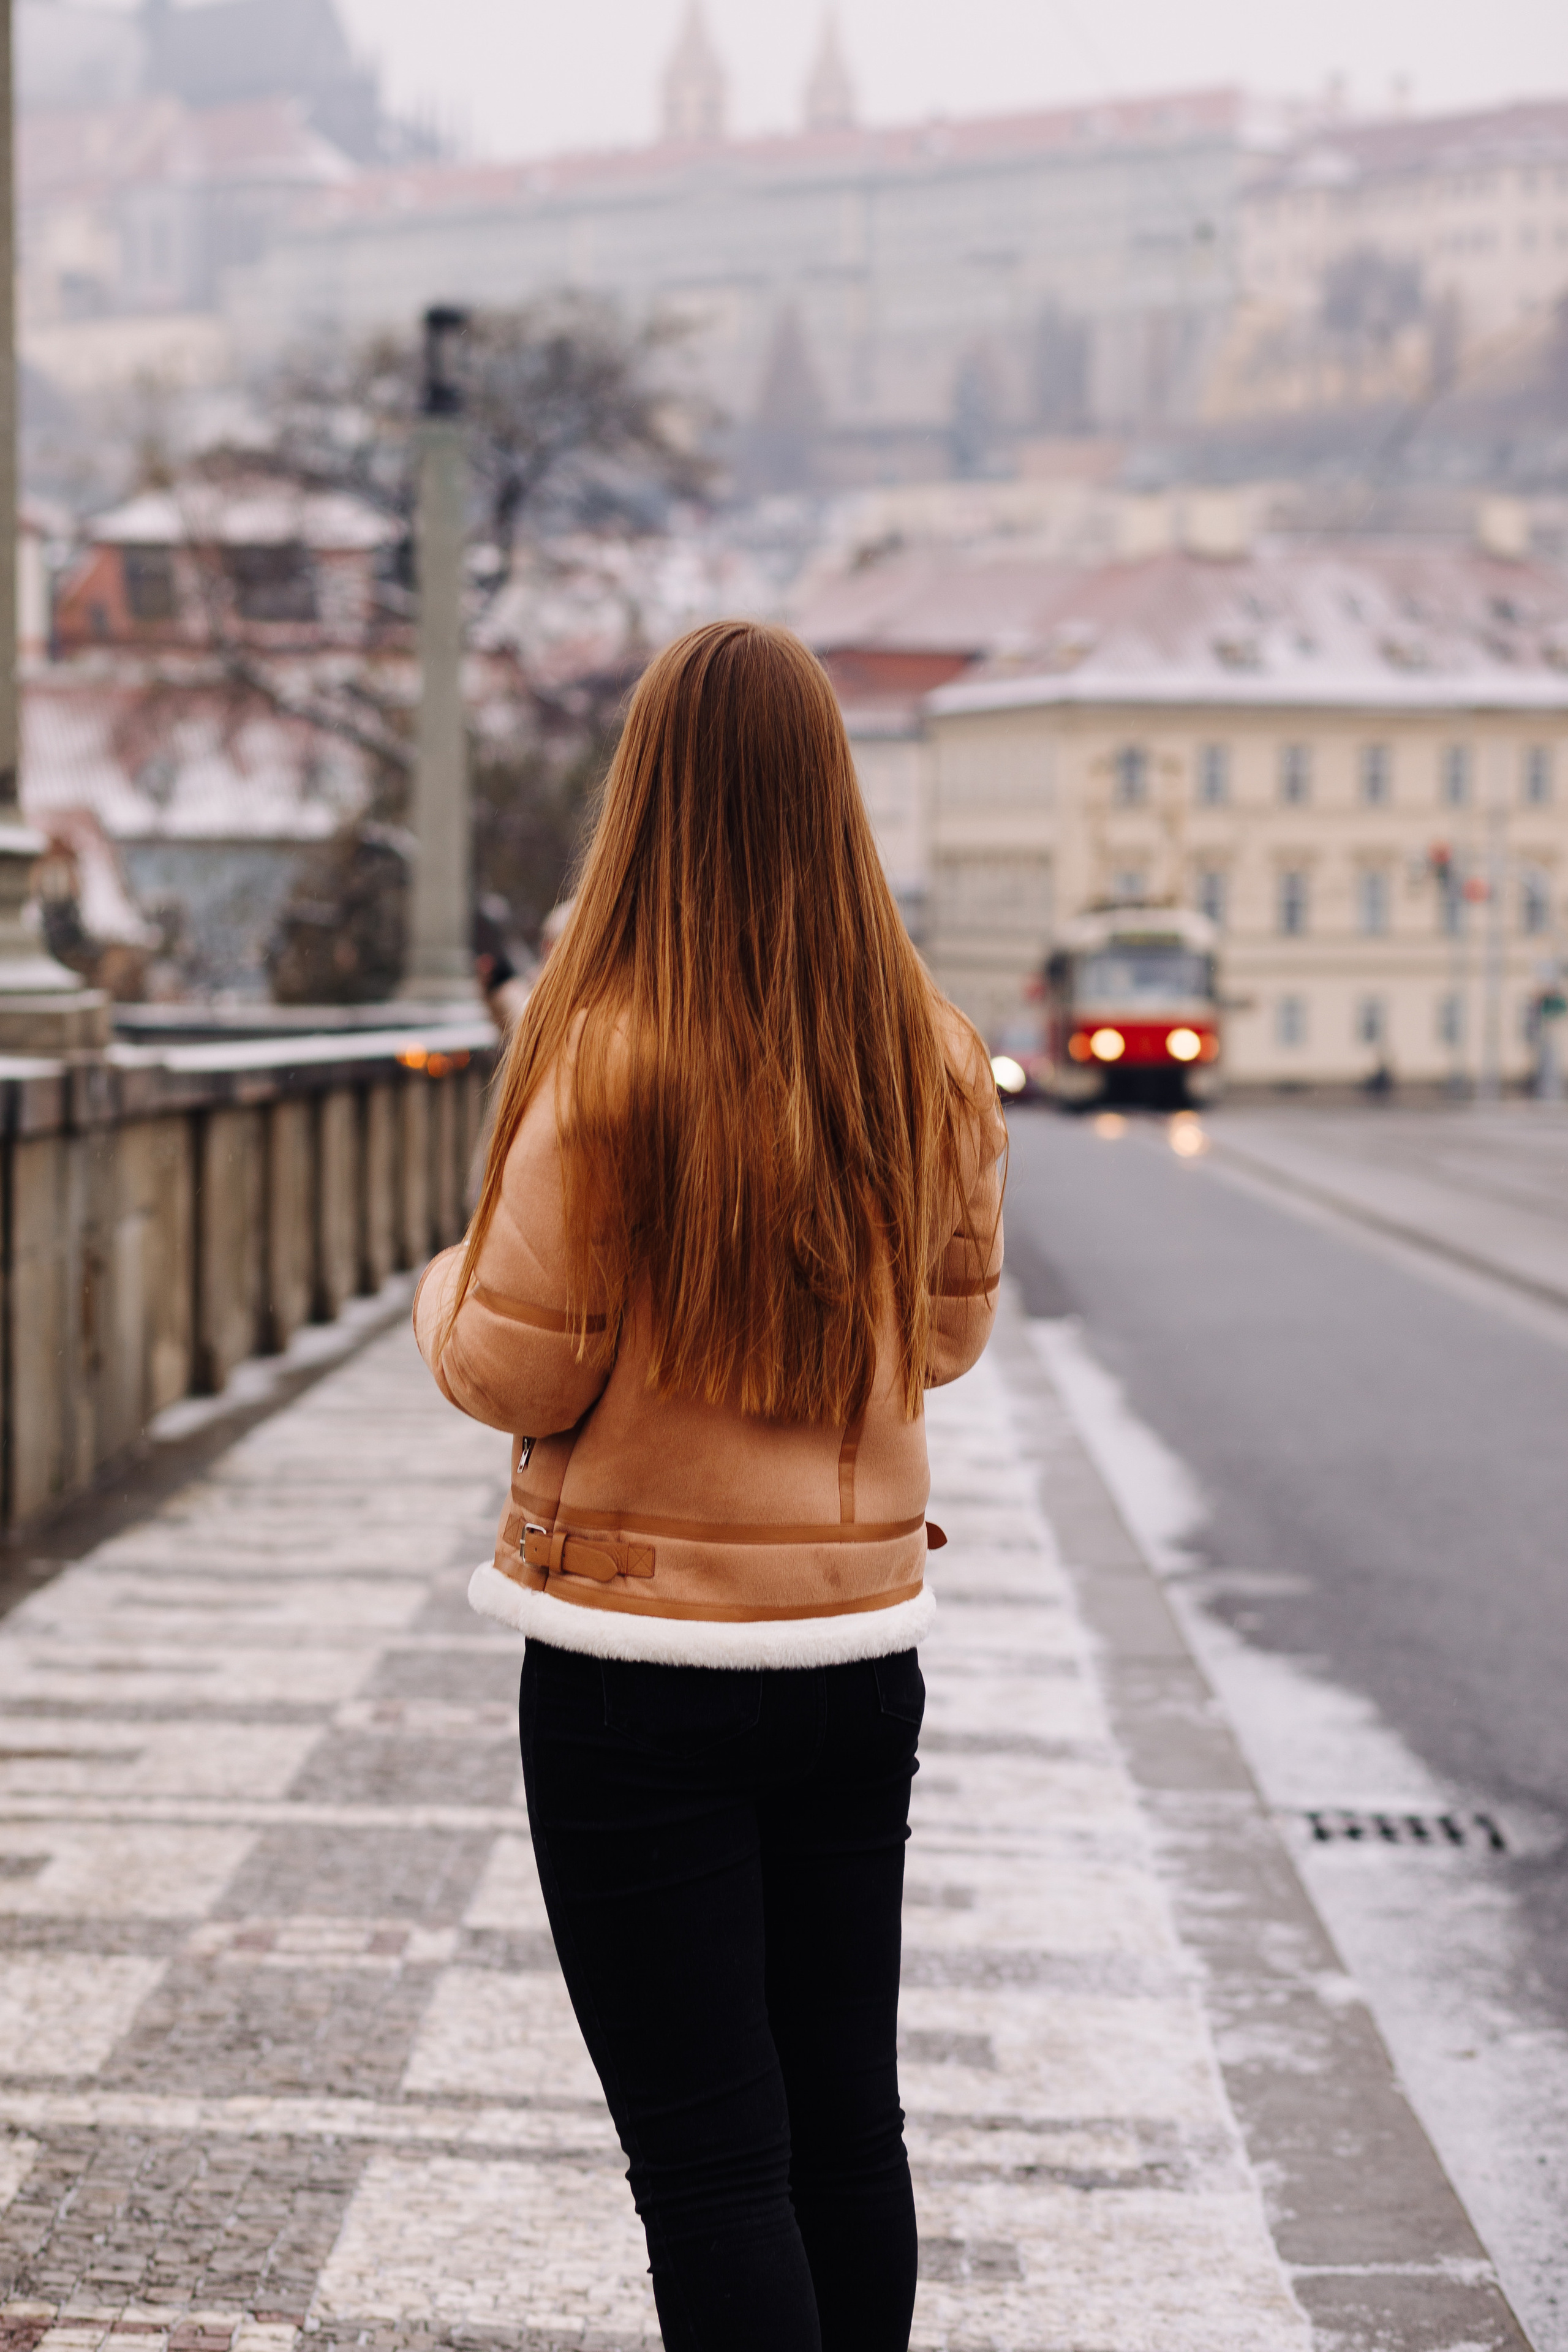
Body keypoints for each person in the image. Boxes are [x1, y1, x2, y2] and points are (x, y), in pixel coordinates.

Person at [413, 619, 1006, 2352]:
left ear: (647, 796)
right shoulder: (933, 1053)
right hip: (851, 1663)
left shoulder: (602, 1058)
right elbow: (948, 1342)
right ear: (835, 798)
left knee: (710, 2166)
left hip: (632, 1674)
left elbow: (511, 1371)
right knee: (846, 2132)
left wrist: (449, 1277)